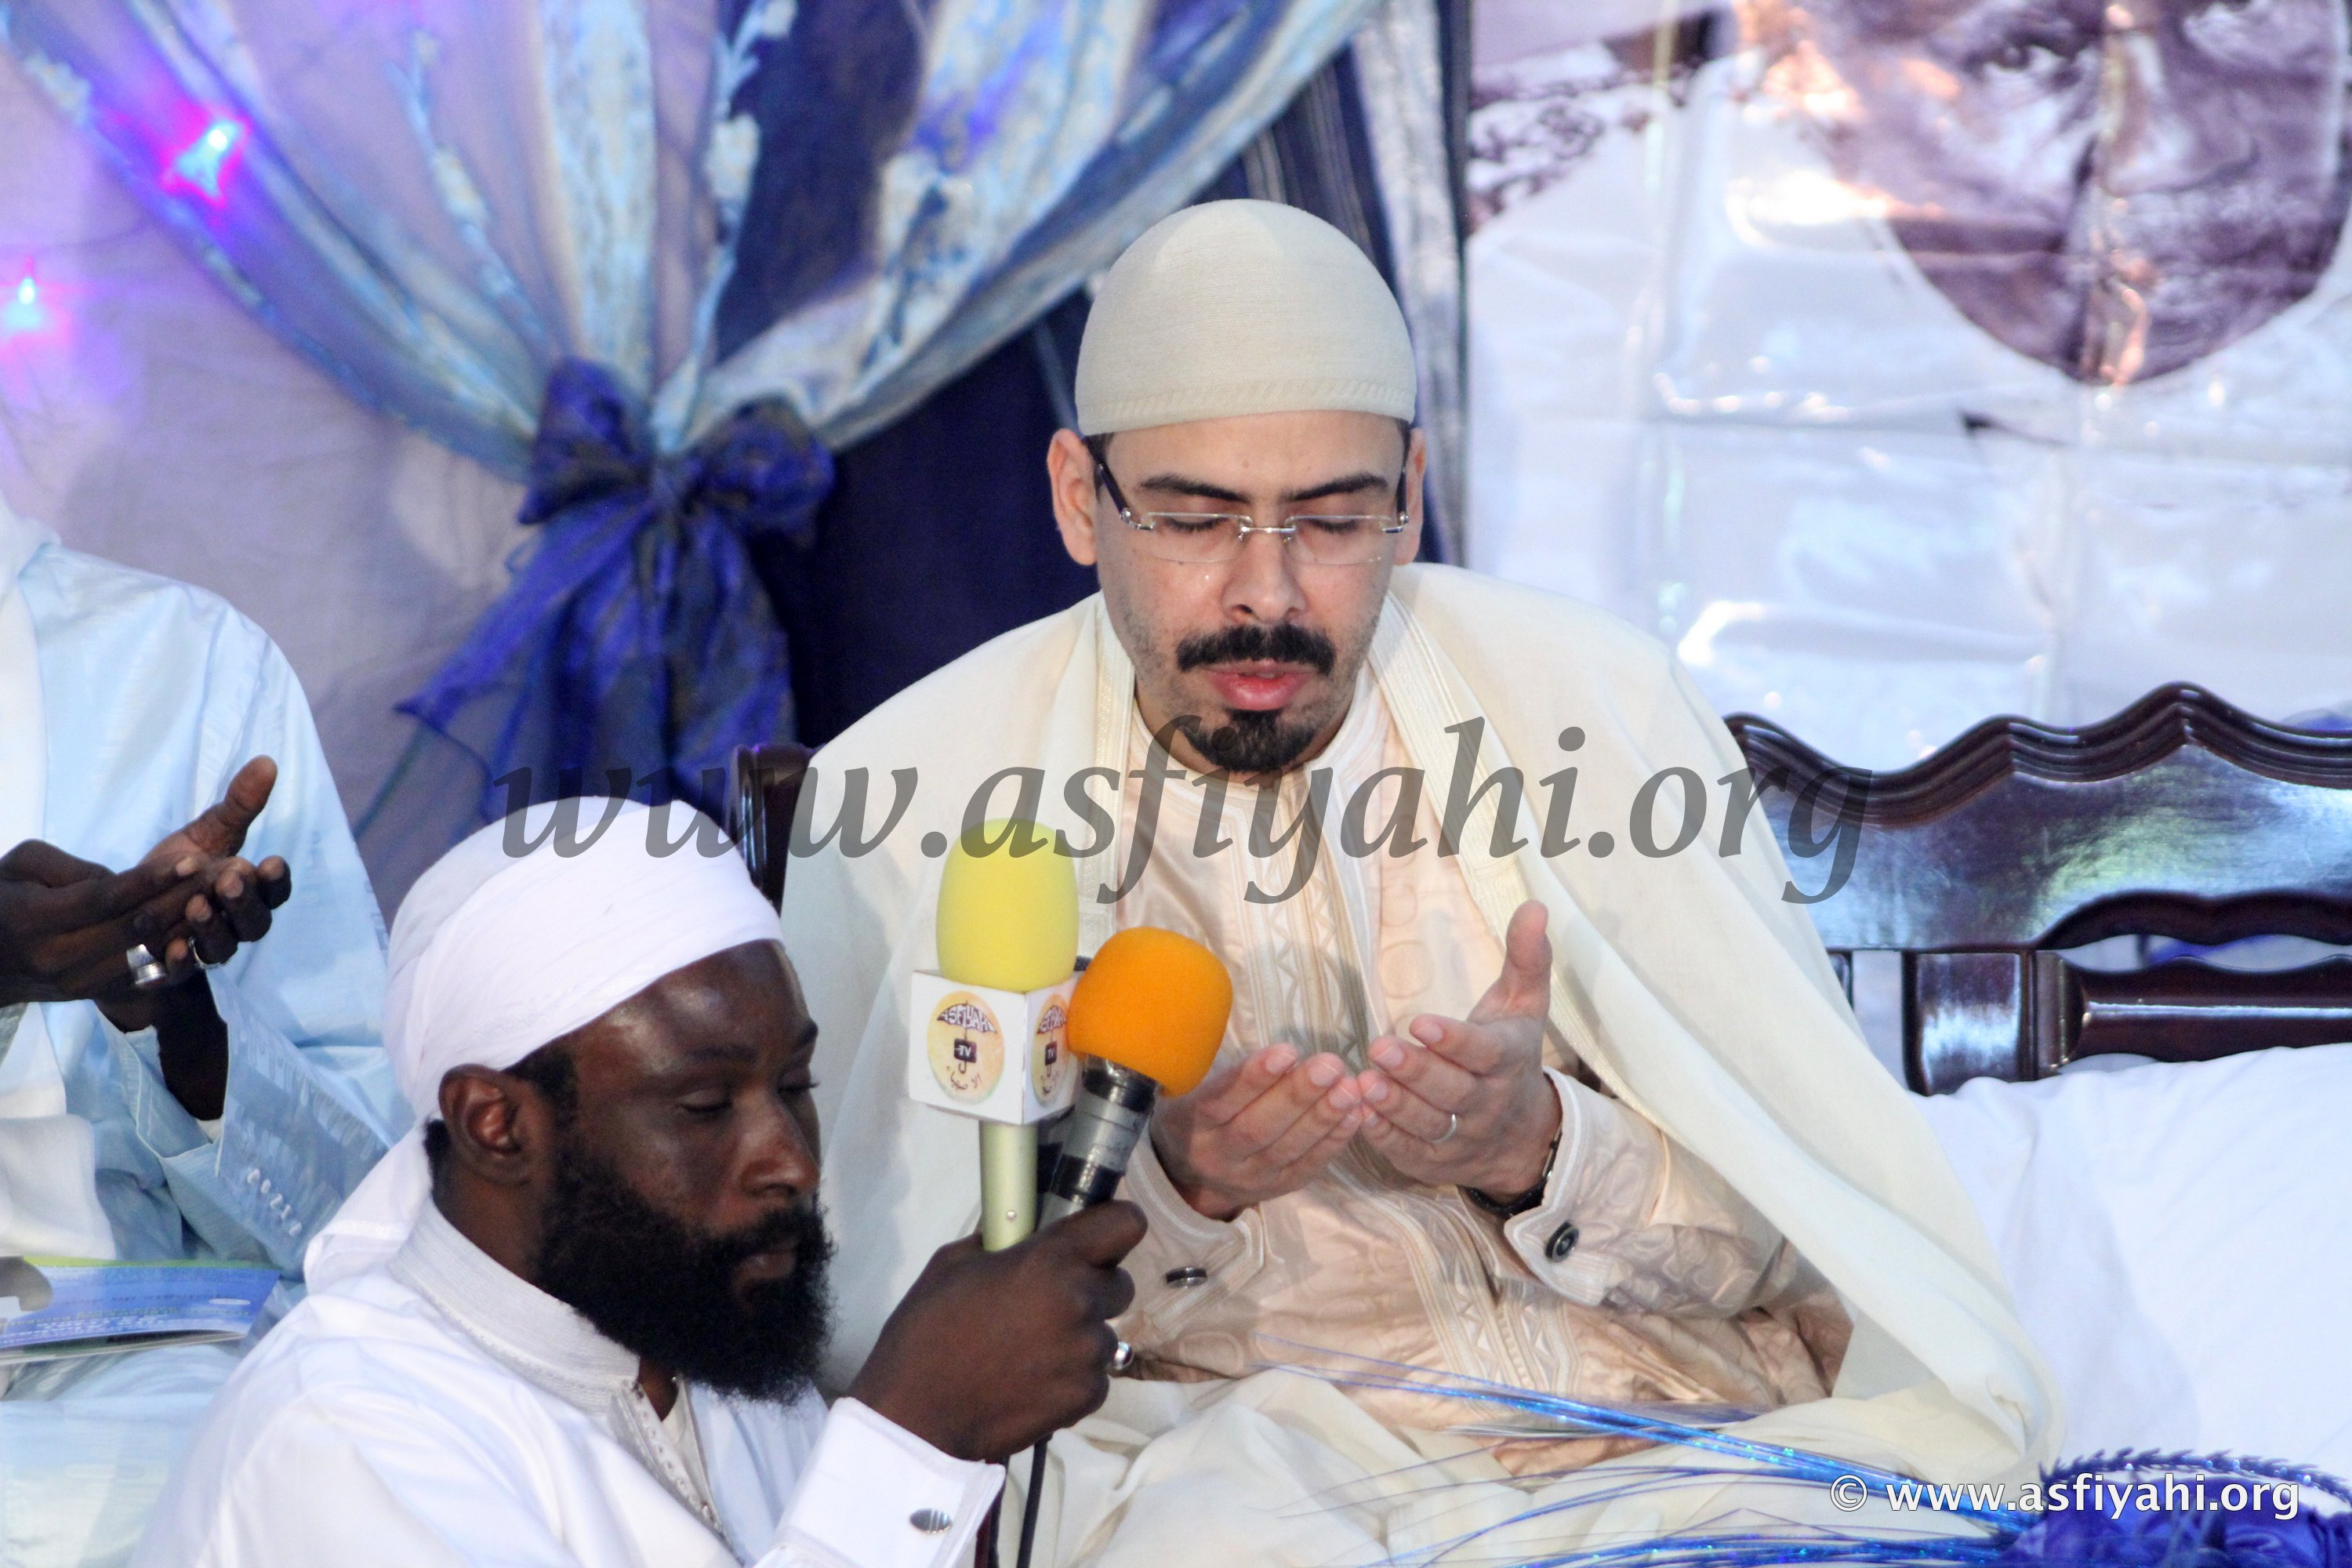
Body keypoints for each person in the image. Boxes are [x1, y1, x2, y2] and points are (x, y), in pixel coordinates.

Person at [785, 201, 2055, 1563]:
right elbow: (903, 1358)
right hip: (1252, 1494)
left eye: (1333, 518)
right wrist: (1180, 1189)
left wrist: (1541, 1151)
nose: (1267, 593)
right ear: (1078, 500)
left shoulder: (1593, 709)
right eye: (1196, 519)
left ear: (1410, 495)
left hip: (1686, 1460)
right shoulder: (920, 792)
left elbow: (1816, 1240)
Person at [137, 799, 1146, 1568]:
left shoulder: (699, 1326)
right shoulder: (345, 1439)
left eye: (795, 1084)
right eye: (705, 1104)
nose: (791, 1160)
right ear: (496, 1122)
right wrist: (915, 1436)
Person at [1465, 0, 2352, 774]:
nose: (2174, 152)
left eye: (2237, 8)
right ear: (1800, 68)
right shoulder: (1556, 322)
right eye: (2024, 53)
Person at [0, 492, 402, 1566]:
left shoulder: (188, 666)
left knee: (338, 1465)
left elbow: (365, 1223)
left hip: (136, 1378)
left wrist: (177, 1025)